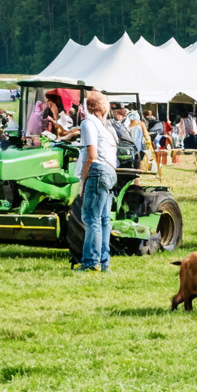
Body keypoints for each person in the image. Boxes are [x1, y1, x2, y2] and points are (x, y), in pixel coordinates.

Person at [78, 90, 118, 272]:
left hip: (98, 171)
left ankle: (90, 262)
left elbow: (91, 155)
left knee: (90, 217)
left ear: (90, 106)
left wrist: (82, 179)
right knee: (103, 220)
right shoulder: (106, 128)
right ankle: (103, 262)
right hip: (110, 172)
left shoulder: (88, 123)